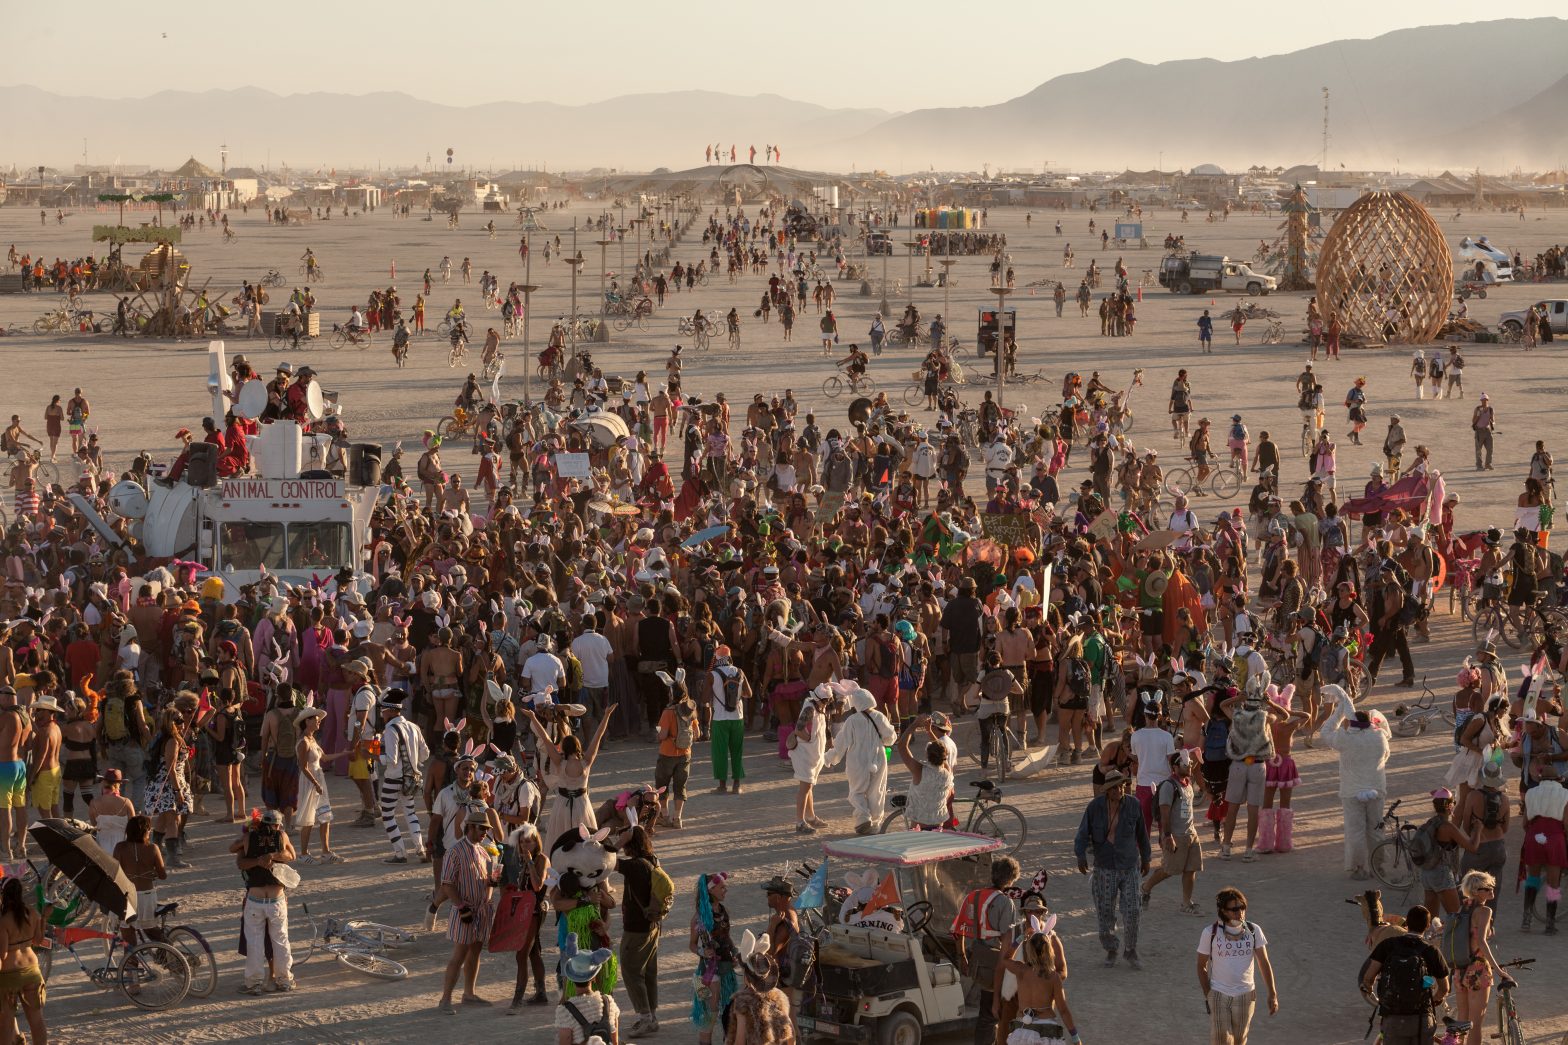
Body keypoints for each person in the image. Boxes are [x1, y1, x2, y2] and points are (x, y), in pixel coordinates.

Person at [1073, 768, 1151, 969]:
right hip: (1104, 866)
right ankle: (1111, 948)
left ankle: (1131, 950)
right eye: (1114, 787)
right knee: (1105, 911)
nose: (1119, 790)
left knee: (1133, 909)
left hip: (1129, 865)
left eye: (1121, 786)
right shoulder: (1095, 807)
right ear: (1107, 790)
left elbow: (1142, 833)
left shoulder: (1134, 805)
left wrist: (1146, 858)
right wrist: (1080, 855)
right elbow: (1082, 833)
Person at [1318, 685, 1391, 879]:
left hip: (1352, 791)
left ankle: (1359, 868)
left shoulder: (1345, 739)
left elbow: (1325, 731)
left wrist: (1340, 710)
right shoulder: (1380, 737)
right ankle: (1378, 866)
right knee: (1376, 830)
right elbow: (1386, 757)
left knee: (1355, 831)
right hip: (1376, 787)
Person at [436, 805, 501, 1014]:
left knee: (475, 951)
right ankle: (445, 999)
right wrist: (461, 907)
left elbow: (482, 880)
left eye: (486, 830)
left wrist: (491, 882)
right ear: (471, 828)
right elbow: (447, 883)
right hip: (465, 910)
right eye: (482, 829)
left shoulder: (483, 852)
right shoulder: (454, 851)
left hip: (481, 910)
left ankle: (469, 993)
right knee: (459, 954)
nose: (485, 834)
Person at [1195, 887, 1278, 1044]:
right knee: (1220, 1038)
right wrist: (1209, 995)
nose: (1240, 912)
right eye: (1234, 909)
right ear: (1223, 911)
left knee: (1239, 1039)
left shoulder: (1254, 931)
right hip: (1219, 993)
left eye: (1242, 907)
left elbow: (1264, 962)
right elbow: (1201, 966)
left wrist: (1272, 994)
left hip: (1246, 994)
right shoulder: (1210, 933)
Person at [951, 856, 1020, 1045]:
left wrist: (962, 957)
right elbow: (1007, 940)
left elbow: (957, 930)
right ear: (1011, 879)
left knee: (985, 1009)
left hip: (975, 959)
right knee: (992, 1014)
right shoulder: (1006, 903)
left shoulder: (973, 896)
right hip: (994, 962)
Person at [1360, 905, 1449, 1045]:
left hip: (1393, 1018)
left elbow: (1368, 978)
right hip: (1422, 1019)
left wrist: (1375, 995)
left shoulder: (1387, 945)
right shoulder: (1431, 950)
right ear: (1427, 926)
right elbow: (1444, 988)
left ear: (1407, 923)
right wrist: (1432, 1001)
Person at [231, 808, 297, 994]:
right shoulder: (281, 836)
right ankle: (284, 980)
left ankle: (254, 984)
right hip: (276, 899)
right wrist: (272, 856)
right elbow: (292, 855)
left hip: (255, 899)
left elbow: (240, 863)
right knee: (281, 940)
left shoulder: (248, 838)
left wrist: (258, 860)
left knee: (254, 942)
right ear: (277, 824)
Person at [823, 688, 894, 835]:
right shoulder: (880, 716)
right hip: (878, 758)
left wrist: (830, 757)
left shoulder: (852, 720)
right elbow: (890, 738)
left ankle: (863, 817)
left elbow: (841, 743)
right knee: (877, 791)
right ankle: (875, 824)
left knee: (857, 790)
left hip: (857, 760)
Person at [1141, 749, 1203, 914]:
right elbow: (1164, 814)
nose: (1189, 766)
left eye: (1189, 764)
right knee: (1169, 870)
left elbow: (1192, 767)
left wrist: (1195, 756)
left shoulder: (1187, 782)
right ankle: (1145, 888)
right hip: (1175, 835)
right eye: (1185, 764)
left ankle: (1186, 903)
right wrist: (1167, 836)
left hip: (1191, 833)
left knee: (1191, 869)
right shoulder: (1169, 786)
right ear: (1174, 768)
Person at [376, 690, 429, 864]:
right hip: (411, 778)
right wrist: (414, 762)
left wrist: (375, 756)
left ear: (390, 711)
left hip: (393, 778)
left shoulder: (391, 729)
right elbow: (425, 754)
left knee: (387, 814)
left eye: (383, 712)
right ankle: (420, 849)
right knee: (410, 812)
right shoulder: (414, 727)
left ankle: (400, 853)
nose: (382, 715)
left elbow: (391, 760)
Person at [0, 876, 45, 1045]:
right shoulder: (32, 913)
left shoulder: (3, 921)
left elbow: (2, 955)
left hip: (9, 976)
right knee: (37, 1021)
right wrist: (44, 918)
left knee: (6, 1024)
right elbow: (38, 941)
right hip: (32, 971)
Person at [556, 937, 620, 1044]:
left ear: (571, 978)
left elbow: (565, 1041)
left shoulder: (564, 1011)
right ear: (594, 977)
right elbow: (615, 1042)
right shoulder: (608, 1002)